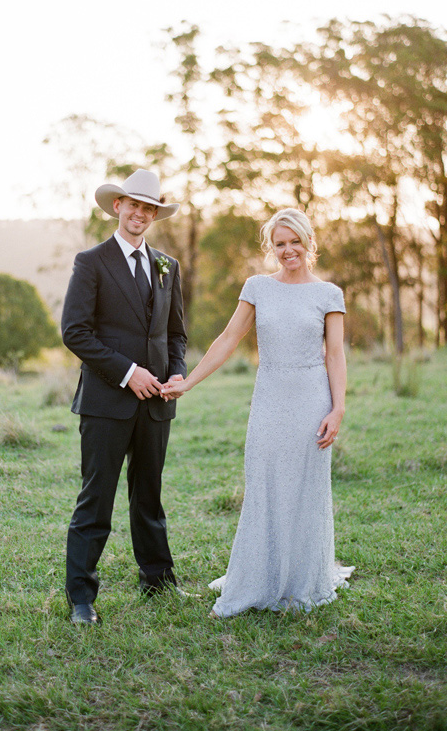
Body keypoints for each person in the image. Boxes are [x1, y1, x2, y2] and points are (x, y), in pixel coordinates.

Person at [162, 208, 354, 618]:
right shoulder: (257, 288)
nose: (288, 251)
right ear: (272, 248)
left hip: (311, 400)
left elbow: (335, 355)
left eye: (294, 241)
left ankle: (301, 579)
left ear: (308, 242)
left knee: (305, 488)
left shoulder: (328, 295)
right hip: (269, 397)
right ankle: (257, 578)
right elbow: (228, 339)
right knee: (264, 482)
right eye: (280, 243)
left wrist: (338, 409)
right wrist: (189, 381)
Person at [61, 169, 187, 626]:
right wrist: (128, 373)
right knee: (97, 499)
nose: (140, 213)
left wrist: (177, 376)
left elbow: (176, 334)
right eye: (133, 204)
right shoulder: (91, 262)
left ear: (154, 214)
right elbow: (74, 332)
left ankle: (157, 580)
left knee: (149, 495)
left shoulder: (168, 265)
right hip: (105, 402)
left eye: (148, 207)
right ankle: (81, 599)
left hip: (157, 404)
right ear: (117, 207)